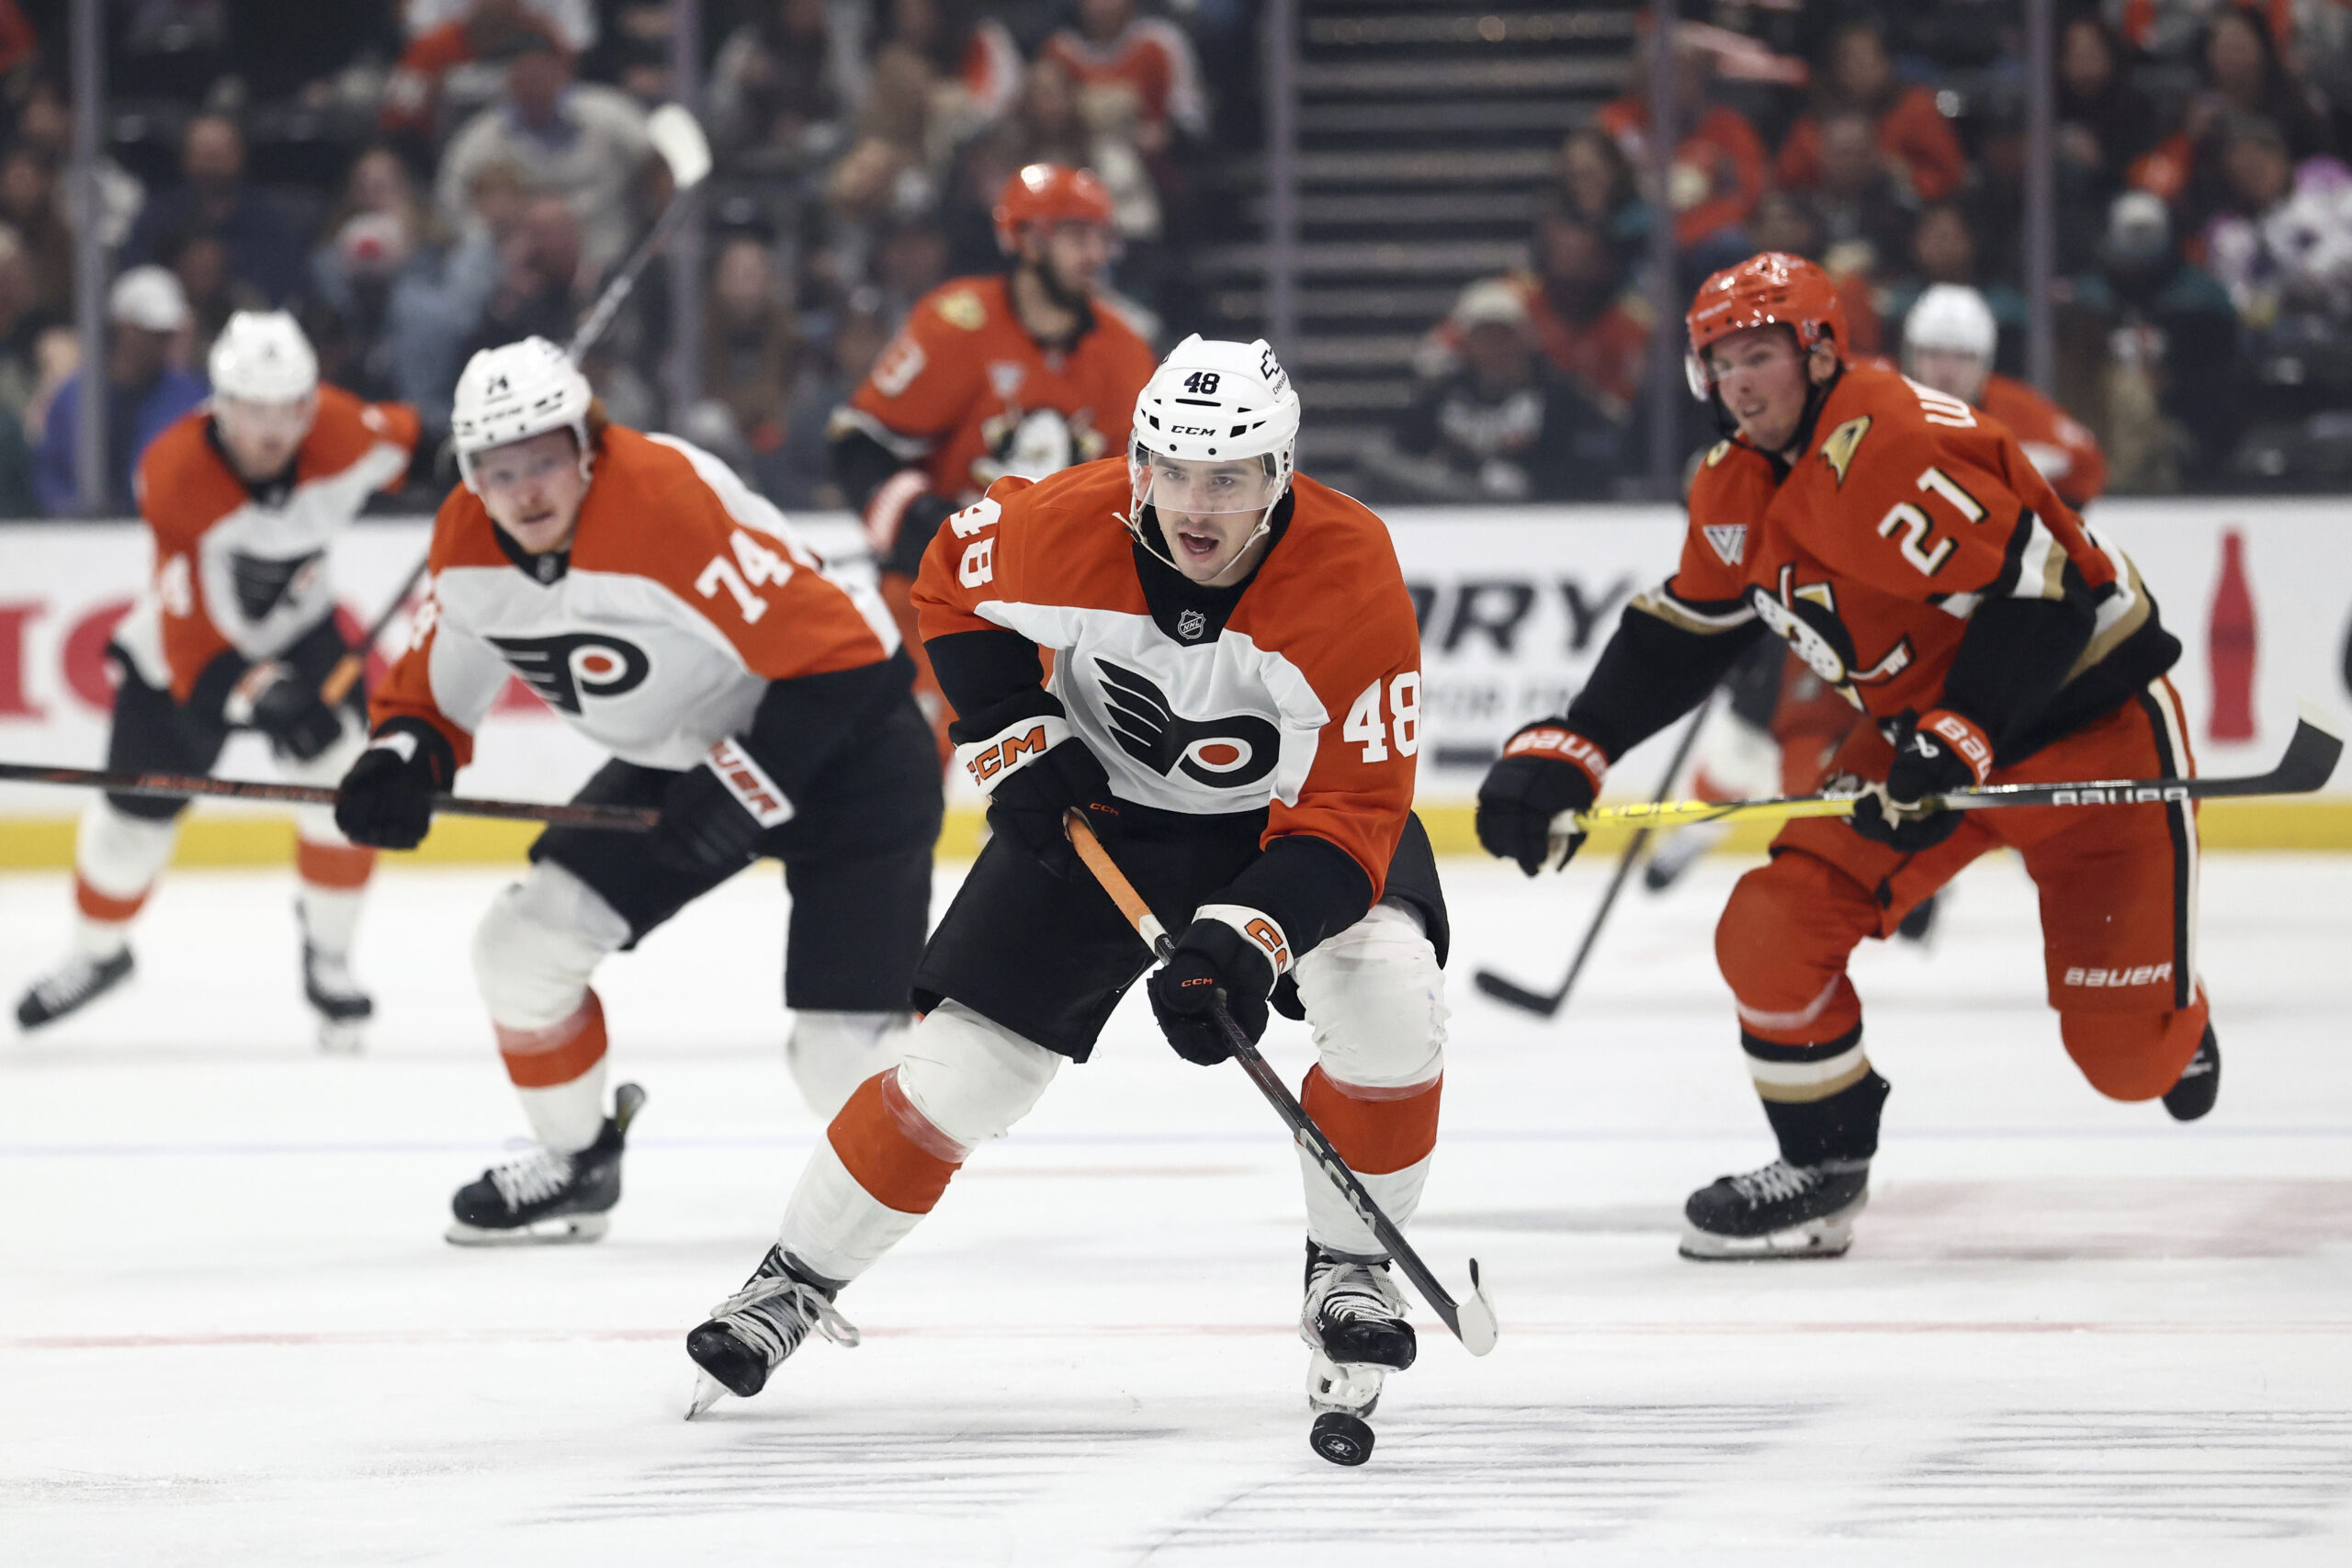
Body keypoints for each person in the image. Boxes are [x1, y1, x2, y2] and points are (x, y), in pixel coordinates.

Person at [682, 335, 1453, 1436]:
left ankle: (1347, 1267)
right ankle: (791, 1282)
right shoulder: (1061, 522)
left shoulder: (1350, 566)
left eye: (1226, 477)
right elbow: (947, 585)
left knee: (1390, 1003)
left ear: (1278, 477)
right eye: (1170, 469)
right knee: (960, 1075)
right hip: (1110, 819)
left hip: (1287, 833)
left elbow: (1349, 813)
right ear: (1137, 460)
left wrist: (1244, 939)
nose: (1192, 504)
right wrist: (1014, 733)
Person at [1476, 253, 2210, 1262]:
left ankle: (2170, 1016)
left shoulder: (1889, 443)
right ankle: (1820, 1171)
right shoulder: (1733, 478)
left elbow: (2048, 599)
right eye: (1720, 359)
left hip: (2085, 732)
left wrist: (1962, 732)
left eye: (1761, 353)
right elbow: (1685, 629)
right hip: (1922, 745)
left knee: (2127, 1065)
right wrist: (1573, 746)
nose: (1739, 380)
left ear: (1817, 354)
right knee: (1770, 931)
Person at [333, 337, 941, 1243]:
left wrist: (739, 786)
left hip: (848, 752)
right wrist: (400, 755)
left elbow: (855, 654)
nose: (526, 490)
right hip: (690, 759)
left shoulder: (662, 502)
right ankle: (579, 1163)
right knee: (521, 948)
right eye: (499, 471)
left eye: (544, 460)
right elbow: (436, 681)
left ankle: (968, 1086)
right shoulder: (468, 543)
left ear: (587, 446)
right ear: (468, 475)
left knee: (839, 1064)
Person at [16, 313, 420, 1047]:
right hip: (182, 653)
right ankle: (97, 955)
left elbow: (417, 446)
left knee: (343, 792)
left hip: (305, 632)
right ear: (219, 404)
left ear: (309, 402)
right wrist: (266, 695)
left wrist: (470, 462)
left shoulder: (343, 429)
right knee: (130, 824)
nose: (270, 430)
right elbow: (194, 648)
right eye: (250, 410)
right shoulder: (174, 473)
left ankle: (329, 958)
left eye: (286, 409)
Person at [830, 163, 1157, 762]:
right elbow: (859, 445)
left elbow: (1141, 490)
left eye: (1100, 236)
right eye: (1076, 235)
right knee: (903, 776)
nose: (1094, 254)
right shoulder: (957, 324)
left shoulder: (1125, 352)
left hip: (1059, 611)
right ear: (1027, 239)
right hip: (940, 601)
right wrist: (921, 527)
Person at [1904, 284, 2109, 511]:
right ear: (1913, 357)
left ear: (1985, 361)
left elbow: (2088, 465)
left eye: (1963, 356)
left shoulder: (2020, 408)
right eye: (1933, 354)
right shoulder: (1887, 405)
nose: (1947, 370)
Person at [33, 266, 209, 515]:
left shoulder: (192, 400)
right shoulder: (74, 396)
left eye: (167, 334)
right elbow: (51, 475)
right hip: (76, 539)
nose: (161, 342)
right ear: (121, 326)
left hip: (163, 533)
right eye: (151, 332)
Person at [119, 116, 310, 310]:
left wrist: (228, 270)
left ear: (240, 156)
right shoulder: (159, 215)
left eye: (217, 155)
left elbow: (290, 282)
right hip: (172, 320)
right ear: (185, 157)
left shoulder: (267, 218)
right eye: (203, 154)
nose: (210, 165)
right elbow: (134, 275)